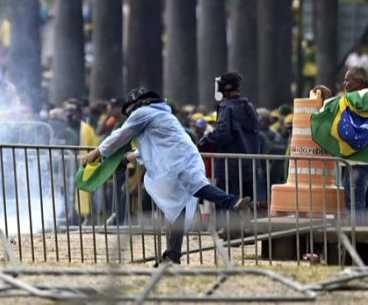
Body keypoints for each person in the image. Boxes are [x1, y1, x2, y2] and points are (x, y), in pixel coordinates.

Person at [80, 87, 251, 265]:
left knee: (195, 189)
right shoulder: (163, 115)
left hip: (175, 161)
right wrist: (129, 157)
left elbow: (120, 135)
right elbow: (152, 145)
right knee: (178, 208)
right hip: (185, 158)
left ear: (136, 104)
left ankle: (232, 202)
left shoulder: (143, 113)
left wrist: (96, 152)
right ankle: (173, 254)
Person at [311, 66, 368, 224]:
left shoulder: (348, 100)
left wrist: (327, 96)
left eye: (347, 80)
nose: (344, 84)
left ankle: (357, 244)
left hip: (355, 164)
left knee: (355, 207)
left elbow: (328, 110)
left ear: (359, 83)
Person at [197, 72, 261, 200]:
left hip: (230, 168)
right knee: (247, 207)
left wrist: (203, 142)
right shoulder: (249, 106)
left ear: (225, 87)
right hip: (250, 166)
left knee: (227, 206)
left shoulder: (226, 106)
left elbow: (222, 133)